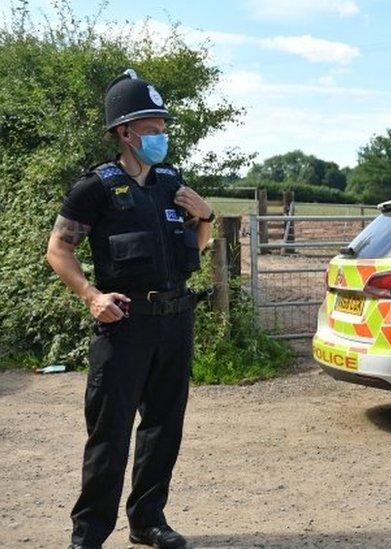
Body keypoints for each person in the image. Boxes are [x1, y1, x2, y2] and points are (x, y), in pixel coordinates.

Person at [46, 69, 215, 549]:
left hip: (175, 320)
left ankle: (147, 521)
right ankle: (89, 533)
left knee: (164, 426)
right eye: (153, 127)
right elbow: (58, 250)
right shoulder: (95, 188)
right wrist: (92, 296)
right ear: (125, 132)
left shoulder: (170, 184)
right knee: (110, 432)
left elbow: (195, 248)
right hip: (124, 325)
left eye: (164, 127)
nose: (162, 135)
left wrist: (204, 216)